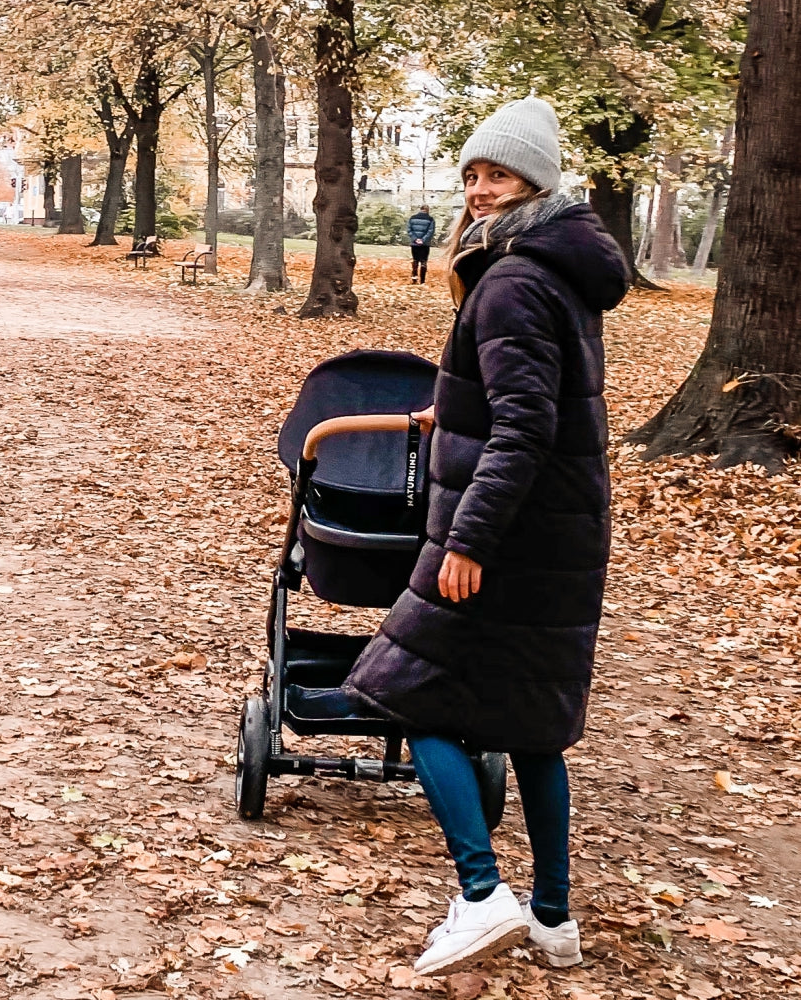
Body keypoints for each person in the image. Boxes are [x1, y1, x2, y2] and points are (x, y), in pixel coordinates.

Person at [340, 97, 630, 976]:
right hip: (561, 532)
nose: (477, 191)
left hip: (504, 534)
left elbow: (524, 430)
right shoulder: (557, 268)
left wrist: (466, 542)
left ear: (535, 181)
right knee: (535, 726)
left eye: (496, 174)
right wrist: (451, 407)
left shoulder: (510, 278)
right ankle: (553, 921)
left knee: (405, 694)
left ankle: (480, 894)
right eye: (470, 174)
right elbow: (527, 400)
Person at [406, 204, 436, 284]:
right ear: (427, 210)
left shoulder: (412, 218)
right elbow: (431, 231)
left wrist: (415, 239)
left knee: (415, 260)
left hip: (414, 244)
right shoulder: (430, 219)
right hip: (425, 244)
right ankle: (422, 281)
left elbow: (409, 230)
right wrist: (423, 240)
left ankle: (414, 278)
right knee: (424, 261)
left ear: (420, 209)